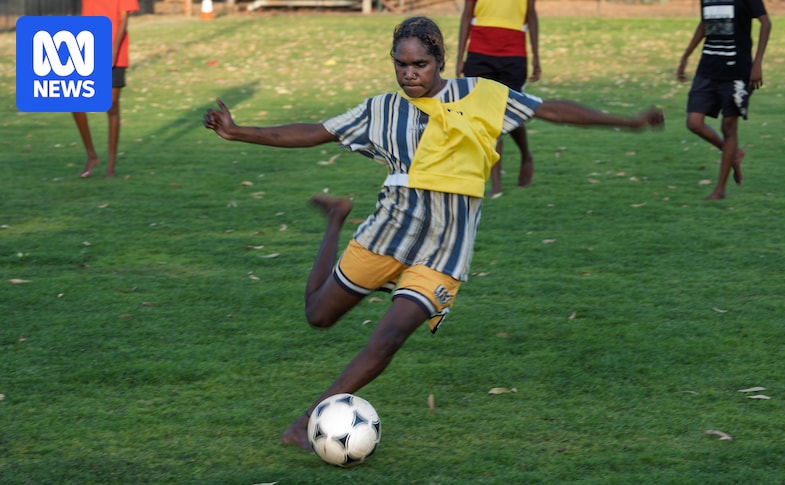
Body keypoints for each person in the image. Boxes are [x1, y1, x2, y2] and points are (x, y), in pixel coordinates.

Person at [203, 16, 664, 451]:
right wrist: (239, 132)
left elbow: (552, 110)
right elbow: (314, 132)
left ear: (440, 61)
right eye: (400, 65)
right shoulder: (380, 109)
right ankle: (335, 221)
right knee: (318, 316)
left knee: (390, 335)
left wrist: (626, 121)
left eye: (419, 64)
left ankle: (307, 421)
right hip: (387, 231)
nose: (409, 74)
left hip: (444, 247)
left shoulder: (480, 94)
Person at [676, 0, 771, 200]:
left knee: (729, 127)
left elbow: (766, 23)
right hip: (707, 69)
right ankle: (733, 154)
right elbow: (705, 24)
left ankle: (720, 190)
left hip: (737, 72)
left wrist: (757, 62)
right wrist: (686, 56)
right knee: (694, 122)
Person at [456, 0, 540, 198]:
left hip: (514, 53)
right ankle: (496, 184)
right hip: (479, 52)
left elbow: (531, 15)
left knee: (511, 112)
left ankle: (526, 155)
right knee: (490, 117)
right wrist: (460, 56)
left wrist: (536, 56)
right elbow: (467, 14)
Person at [73, 0, 139, 179]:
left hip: (115, 52)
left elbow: (124, 19)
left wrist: (113, 50)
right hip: (88, 48)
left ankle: (111, 166)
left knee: (111, 106)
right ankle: (91, 156)